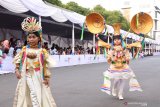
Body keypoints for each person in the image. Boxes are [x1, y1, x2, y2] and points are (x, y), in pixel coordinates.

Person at [13, 17, 56, 107]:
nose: (31, 39)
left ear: (39, 38)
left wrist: (47, 77)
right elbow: (18, 61)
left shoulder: (42, 51)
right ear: (27, 39)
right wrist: (17, 70)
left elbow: (45, 65)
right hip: (27, 74)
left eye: (33, 37)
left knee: (39, 92)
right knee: (33, 92)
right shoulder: (24, 50)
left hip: (38, 75)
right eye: (29, 37)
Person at [101, 23, 142, 100]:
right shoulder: (112, 48)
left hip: (123, 66)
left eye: (118, 39)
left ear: (121, 40)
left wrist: (127, 58)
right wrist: (112, 57)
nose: (117, 41)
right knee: (116, 80)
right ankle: (114, 88)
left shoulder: (124, 48)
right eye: (115, 39)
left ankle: (120, 94)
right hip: (115, 66)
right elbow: (109, 57)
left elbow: (127, 55)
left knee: (123, 80)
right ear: (113, 40)